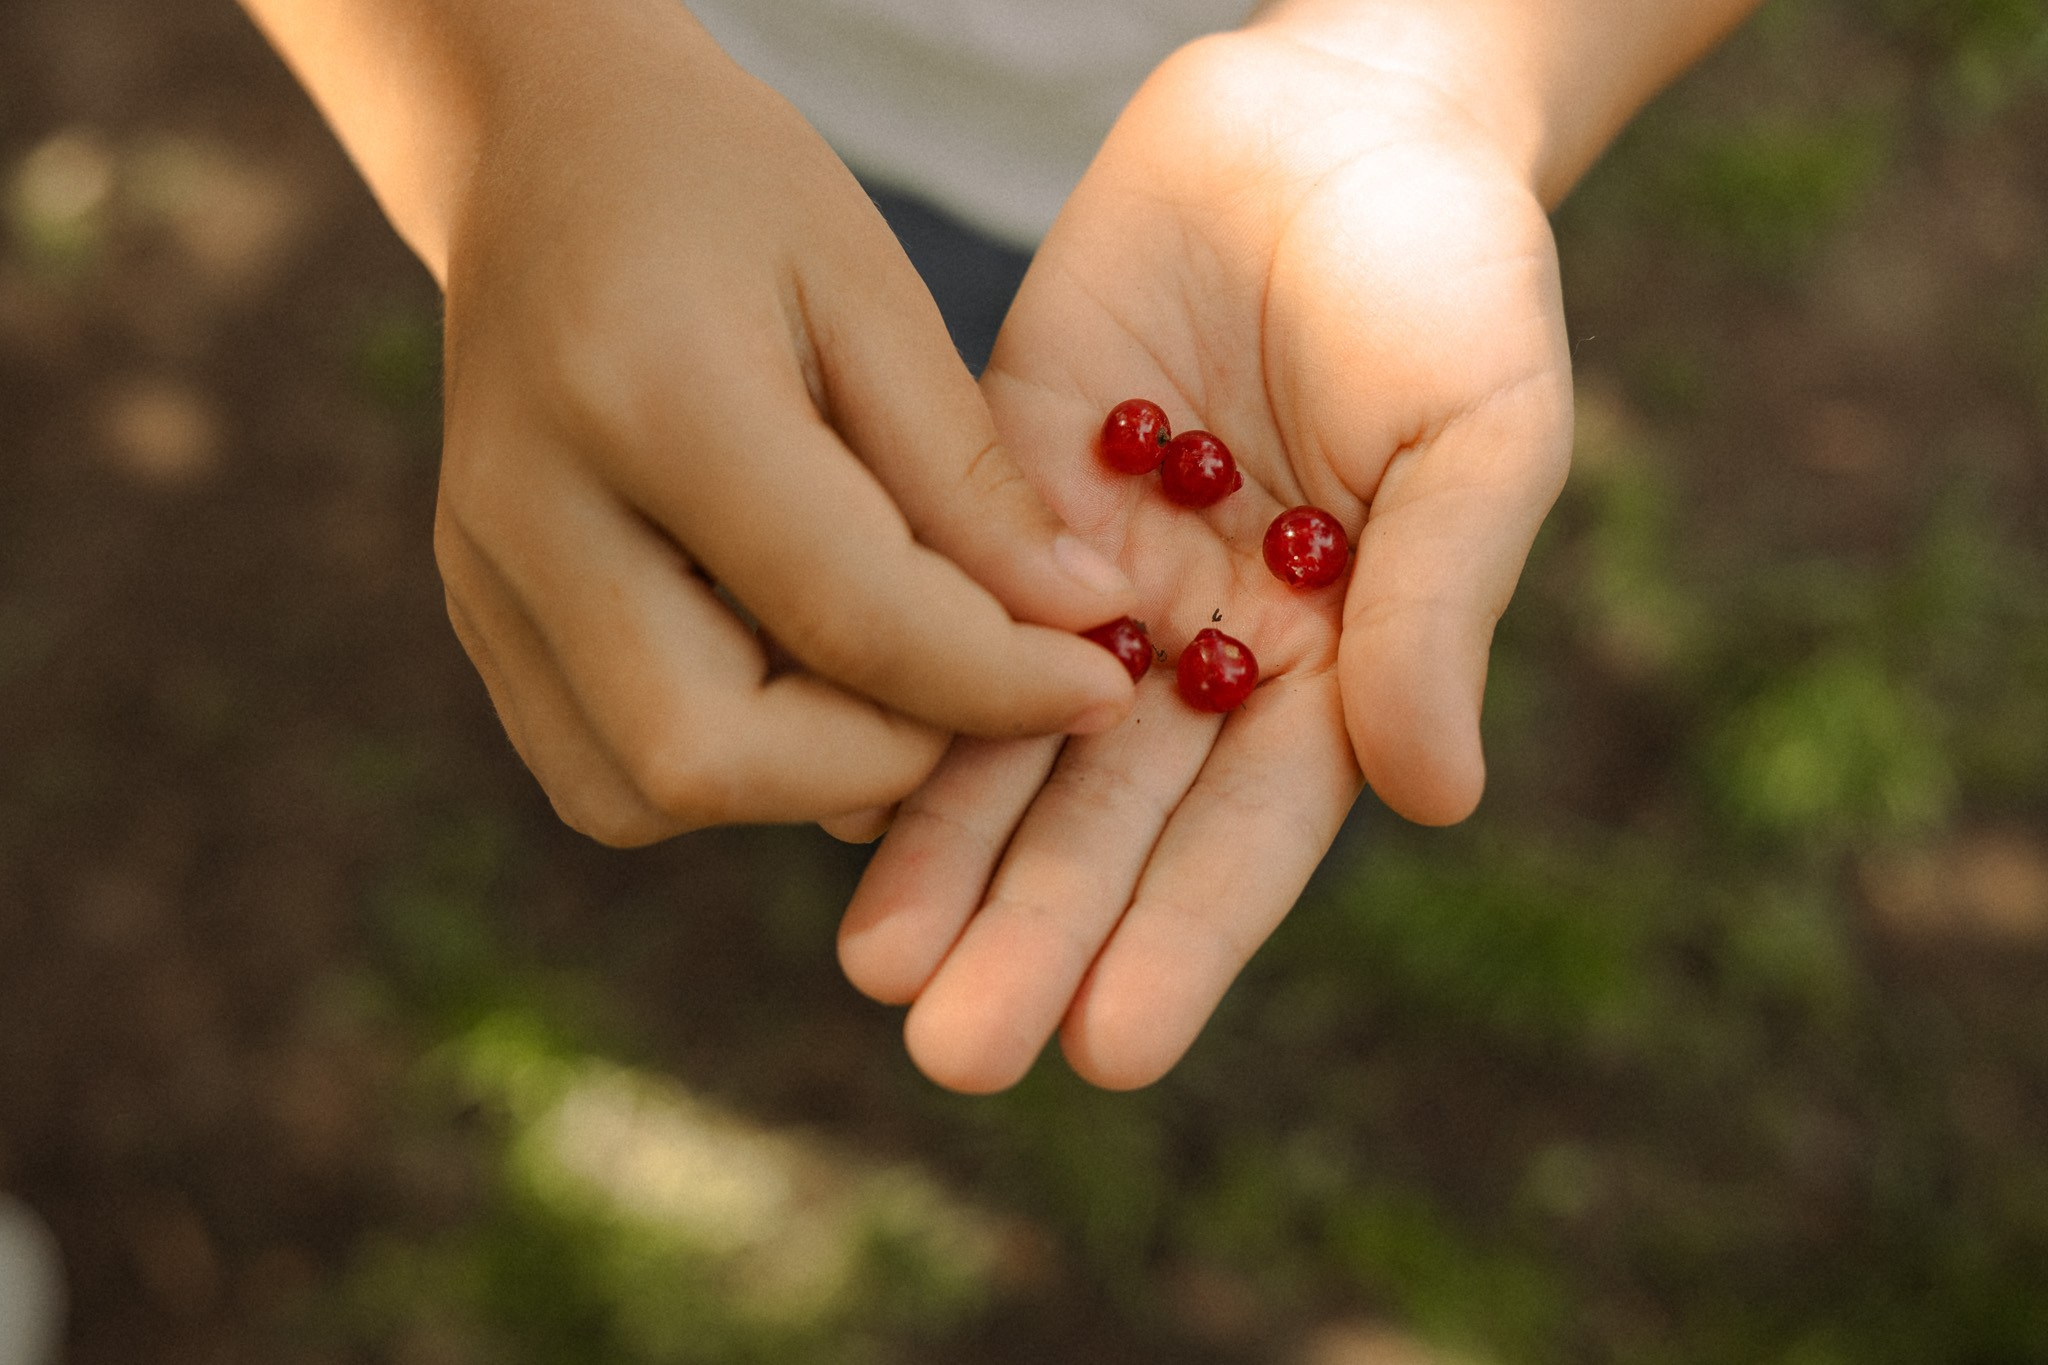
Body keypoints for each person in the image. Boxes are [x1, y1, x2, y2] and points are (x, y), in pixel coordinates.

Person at [234, 0, 1762, 1095]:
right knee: (807, 564)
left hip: (1262, 219)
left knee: (1202, 666)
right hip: (684, 115)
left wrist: (1443, 59)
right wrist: (504, 84)